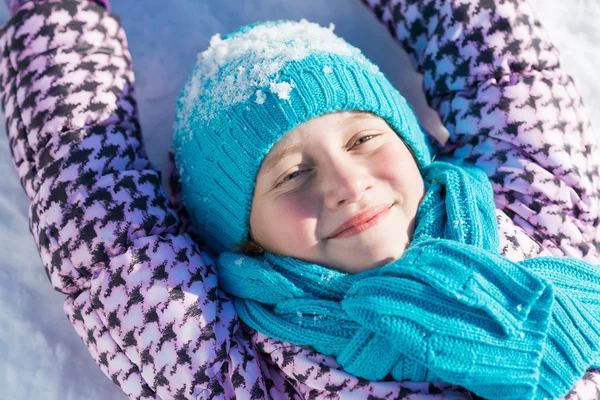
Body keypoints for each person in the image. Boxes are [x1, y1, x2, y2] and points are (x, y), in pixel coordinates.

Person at [2, 0, 600, 399]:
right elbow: (93, 212)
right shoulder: (237, 367)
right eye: (291, 176)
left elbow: (498, 62)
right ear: (246, 238)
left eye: (365, 138)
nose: (346, 184)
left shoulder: (534, 209)